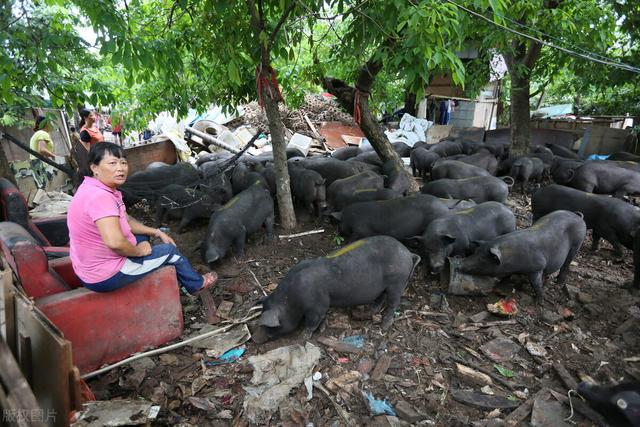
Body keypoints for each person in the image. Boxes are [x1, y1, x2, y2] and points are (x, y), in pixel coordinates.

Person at [67, 142, 217, 294]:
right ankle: (196, 284)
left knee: (143, 234)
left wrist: (157, 232)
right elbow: (115, 243)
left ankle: (151, 261)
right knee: (170, 252)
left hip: (90, 267)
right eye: (112, 163)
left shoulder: (95, 188)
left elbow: (126, 220)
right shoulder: (100, 197)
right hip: (106, 275)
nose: (120, 168)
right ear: (94, 168)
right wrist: (139, 251)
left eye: (123, 162)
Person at [29, 115, 57, 189]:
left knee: (42, 189)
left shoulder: (37, 134)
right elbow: (42, 149)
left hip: (36, 164)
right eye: (50, 123)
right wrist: (53, 156)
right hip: (42, 164)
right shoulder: (43, 133)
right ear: (46, 123)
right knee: (48, 189)